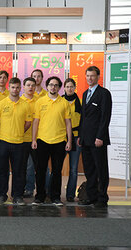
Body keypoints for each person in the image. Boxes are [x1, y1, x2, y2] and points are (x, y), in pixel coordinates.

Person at [32, 76, 72, 206]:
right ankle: (39, 197)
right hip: (42, 140)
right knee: (40, 170)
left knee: (57, 171)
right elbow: (36, 122)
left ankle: (55, 197)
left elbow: (68, 123)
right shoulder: (40, 101)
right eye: (51, 85)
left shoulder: (64, 103)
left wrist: (69, 141)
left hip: (59, 141)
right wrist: (34, 139)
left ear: (59, 88)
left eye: (56, 85)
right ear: (47, 86)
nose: (53, 87)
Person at [78, 66, 112, 208]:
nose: (90, 78)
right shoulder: (85, 93)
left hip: (98, 139)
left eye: (92, 76)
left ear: (98, 77)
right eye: (88, 76)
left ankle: (102, 198)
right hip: (86, 139)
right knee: (89, 169)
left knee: (101, 168)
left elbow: (105, 117)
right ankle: (91, 196)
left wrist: (100, 136)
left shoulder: (104, 93)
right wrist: (80, 136)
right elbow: (84, 118)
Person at [0, 77, 32, 205]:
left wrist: (19, 131)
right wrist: (5, 131)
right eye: (12, 87)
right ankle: (1, 195)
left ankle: (17, 196)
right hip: (3, 142)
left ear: (20, 89)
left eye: (17, 87)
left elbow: (28, 122)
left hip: (19, 143)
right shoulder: (1, 104)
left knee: (19, 171)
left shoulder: (25, 104)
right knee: (2, 170)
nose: (15, 89)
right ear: (9, 88)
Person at [62, 78, 82, 202]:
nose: (69, 89)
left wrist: (81, 136)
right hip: (62, 137)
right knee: (57, 167)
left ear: (75, 87)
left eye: (71, 86)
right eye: (67, 86)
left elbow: (84, 121)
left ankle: (70, 194)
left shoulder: (80, 101)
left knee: (74, 169)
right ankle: (54, 193)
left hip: (76, 137)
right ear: (64, 88)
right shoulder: (60, 101)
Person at [20, 77, 38, 198]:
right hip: (23, 139)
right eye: (28, 85)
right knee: (26, 166)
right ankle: (28, 188)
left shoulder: (40, 100)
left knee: (41, 167)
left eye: (33, 85)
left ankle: (44, 190)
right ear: (24, 87)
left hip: (37, 138)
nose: (30, 87)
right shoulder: (20, 100)